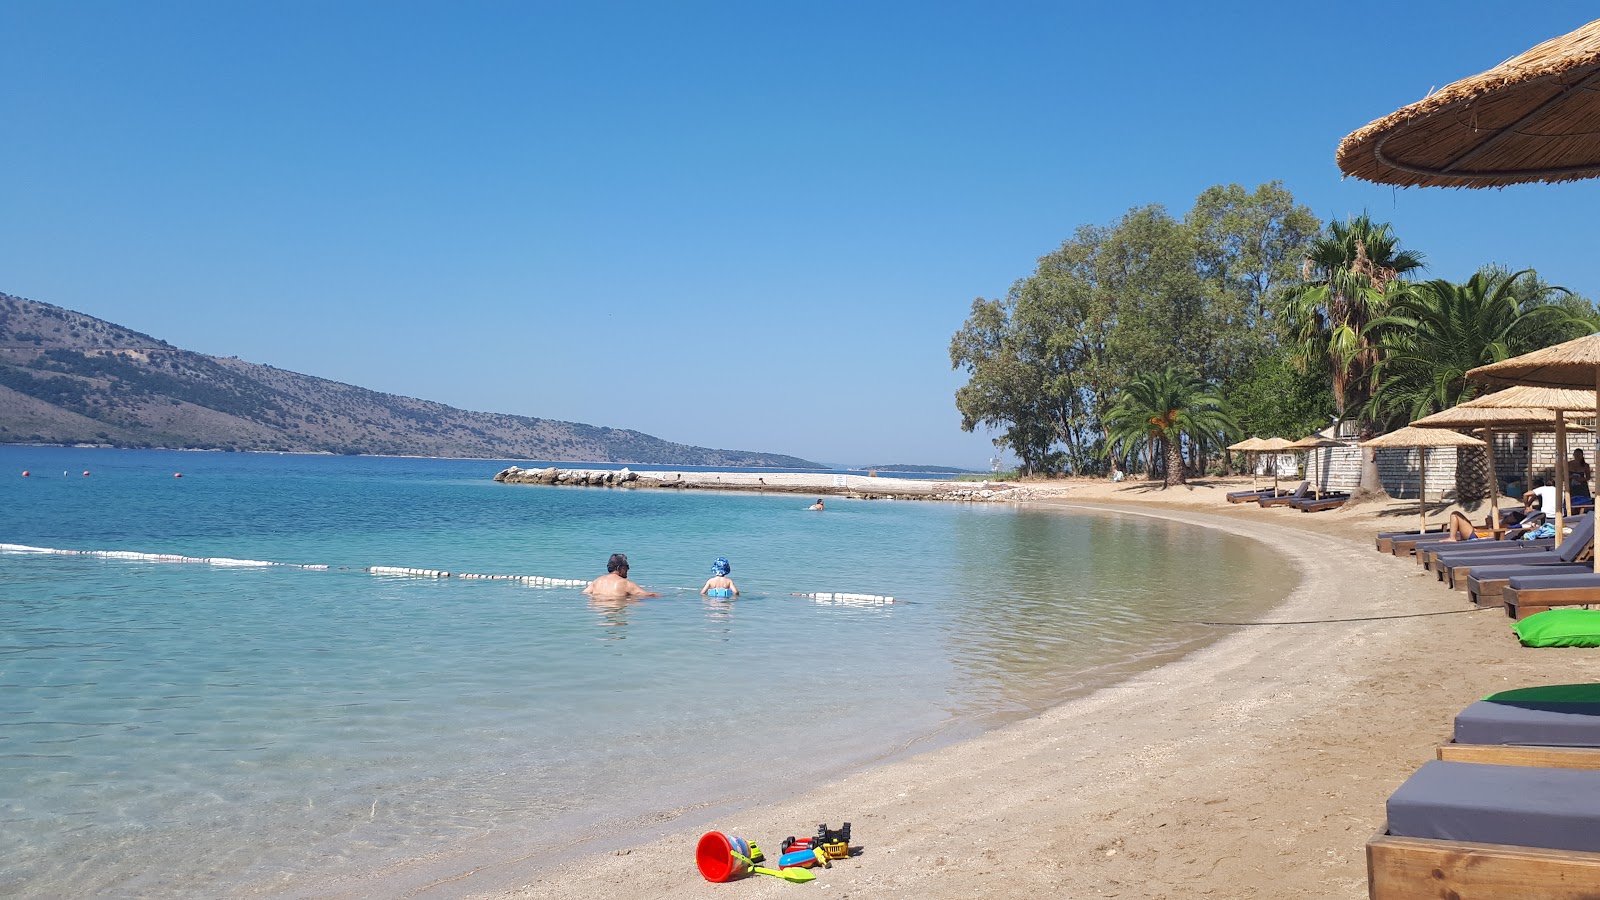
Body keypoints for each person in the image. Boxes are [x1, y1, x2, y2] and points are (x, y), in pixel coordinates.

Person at [582, 553, 659, 601]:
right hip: (616, 610)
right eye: (626, 566)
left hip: (600, 613)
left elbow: (584, 593)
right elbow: (648, 595)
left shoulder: (597, 581)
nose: (628, 569)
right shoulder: (624, 583)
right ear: (619, 568)